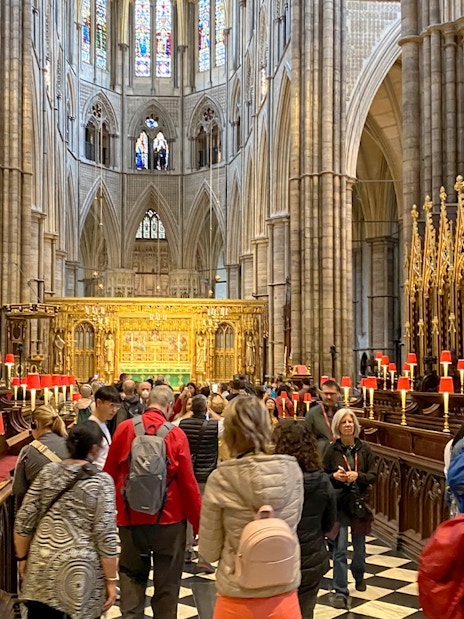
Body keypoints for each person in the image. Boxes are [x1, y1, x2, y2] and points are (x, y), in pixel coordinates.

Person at [199, 395, 304, 619]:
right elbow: (294, 525)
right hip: (282, 591)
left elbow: (208, 551)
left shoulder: (221, 478)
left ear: (229, 430)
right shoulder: (292, 471)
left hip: (238, 595)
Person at [104, 385, 202, 619]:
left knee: (130, 575)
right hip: (169, 520)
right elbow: (189, 485)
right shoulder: (176, 435)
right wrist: (198, 524)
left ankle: (130, 615)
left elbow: (108, 474)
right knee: (167, 584)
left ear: (148, 403)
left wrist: (109, 514)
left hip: (130, 518)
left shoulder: (125, 429)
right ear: (170, 407)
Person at [14, 422, 119, 619]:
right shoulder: (101, 482)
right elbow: (106, 535)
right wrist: (111, 580)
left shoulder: (48, 472)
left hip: (42, 567)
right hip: (81, 573)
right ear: (95, 449)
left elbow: (23, 519)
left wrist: (23, 558)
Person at [274, 421, 336, 619]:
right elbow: (329, 522)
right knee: (305, 612)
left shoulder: (274, 481)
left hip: (280, 557)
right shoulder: (322, 480)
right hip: (311, 555)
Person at [323, 408, 377, 609]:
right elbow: (323, 474)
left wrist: (358, 476)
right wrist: (334, 477)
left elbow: (373, 475)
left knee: (360, 548)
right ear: (338, 426)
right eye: (344, 422)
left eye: (351, 422)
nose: (348, 425)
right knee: (340, 548)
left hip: (358, 502)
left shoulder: (365, 449)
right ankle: (340, 590)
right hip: (339, 503)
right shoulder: (331, 450)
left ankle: (359, 574)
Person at [179, 394, 220, 572]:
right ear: (205, 409)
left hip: (188, 473)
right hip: (206, 474)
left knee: (188, 511)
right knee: (206, 515)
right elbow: (226, 422)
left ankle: (187, 550)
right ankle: (204, 555)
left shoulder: (180, 425)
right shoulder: (215, 425)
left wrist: (186, 415)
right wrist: (211, 412)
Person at [13, 404, 69, 503]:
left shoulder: (28, 451)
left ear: (35, 425)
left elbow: (18, 490)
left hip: (42, 512)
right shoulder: (71, 444)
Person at [305, 379, 342, 454]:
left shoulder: (344, 413)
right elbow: (306, 438)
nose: (328, 397)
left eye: (331, 394)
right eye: (326, 394)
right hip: (320, 453)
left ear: (337, 394)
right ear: (321, 394)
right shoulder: (312, 413)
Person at [88, 385, 120, 469]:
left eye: (117, 406)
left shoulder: (102, 423)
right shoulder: (90, 428)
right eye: (111, 405)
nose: (114, 410)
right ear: (98, 403)